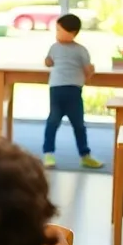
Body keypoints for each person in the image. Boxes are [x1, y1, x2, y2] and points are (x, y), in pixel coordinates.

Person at [42, 14, 103, 169]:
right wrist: (47, 61)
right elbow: (49, 62)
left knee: (79, 124)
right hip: (56, 89)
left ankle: (85, 155)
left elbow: (87, 69)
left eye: (59, 30)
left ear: (72, 32)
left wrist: (90, 72)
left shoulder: (81, 50)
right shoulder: (54, 47)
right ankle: (48, 154)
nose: (56, 33)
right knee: (52, 121)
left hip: (74, 90)